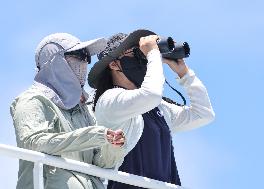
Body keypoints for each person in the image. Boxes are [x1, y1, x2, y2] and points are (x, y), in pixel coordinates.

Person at [87, 29, 215, 188]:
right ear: (113, 64)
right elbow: (151, 94)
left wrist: (184, 73)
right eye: (135, 54)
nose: (142, 59)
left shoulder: (157, 108)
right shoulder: (109, 101)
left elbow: (203, 114)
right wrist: (153, 53)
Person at [10, 33, 126, 189]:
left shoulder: (82, 110)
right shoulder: (32, 99)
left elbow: (100, 164)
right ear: (54, 61)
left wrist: (112, 146)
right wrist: (94, 135)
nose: (85, 62)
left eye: (87, 58)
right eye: (79, 55)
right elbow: (34, 143)